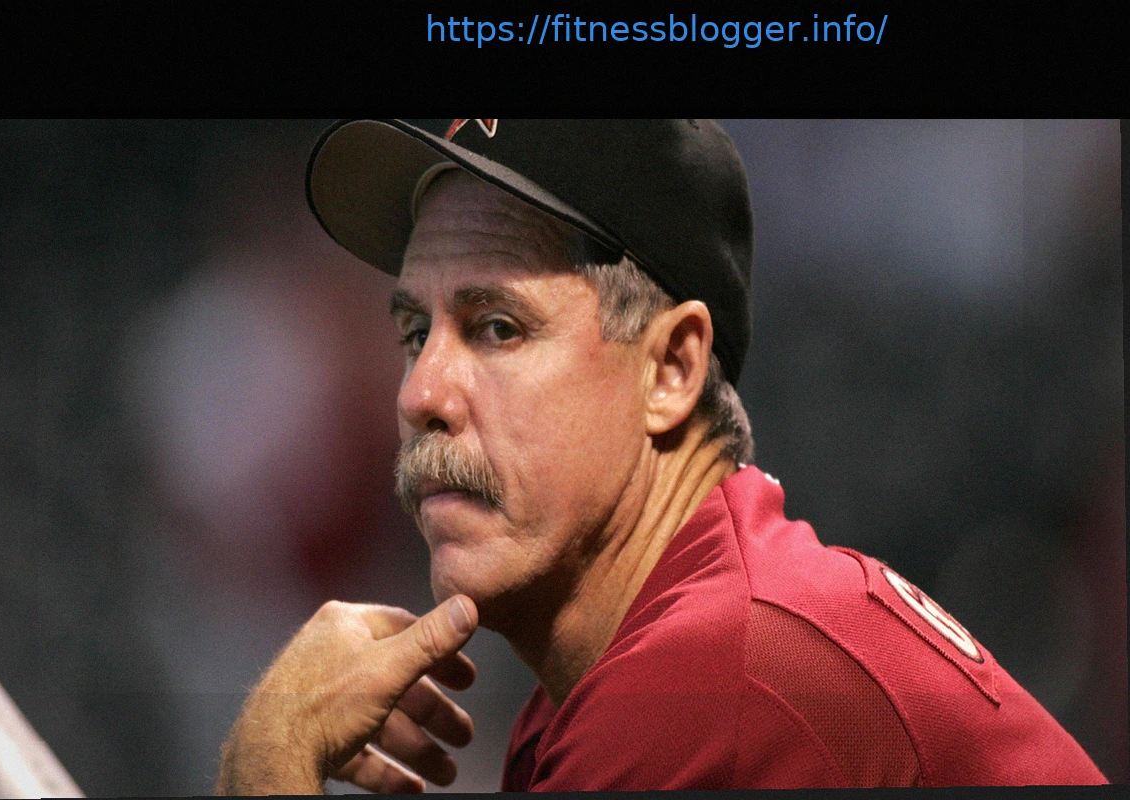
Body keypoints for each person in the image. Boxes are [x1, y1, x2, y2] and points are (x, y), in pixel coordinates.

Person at [215, 119, 1107, 793]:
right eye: (417, 333)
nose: (421, 393)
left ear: (672, 369)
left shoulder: (711, 685)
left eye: (497, 328)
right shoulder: (677, 649)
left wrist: (270, 759)